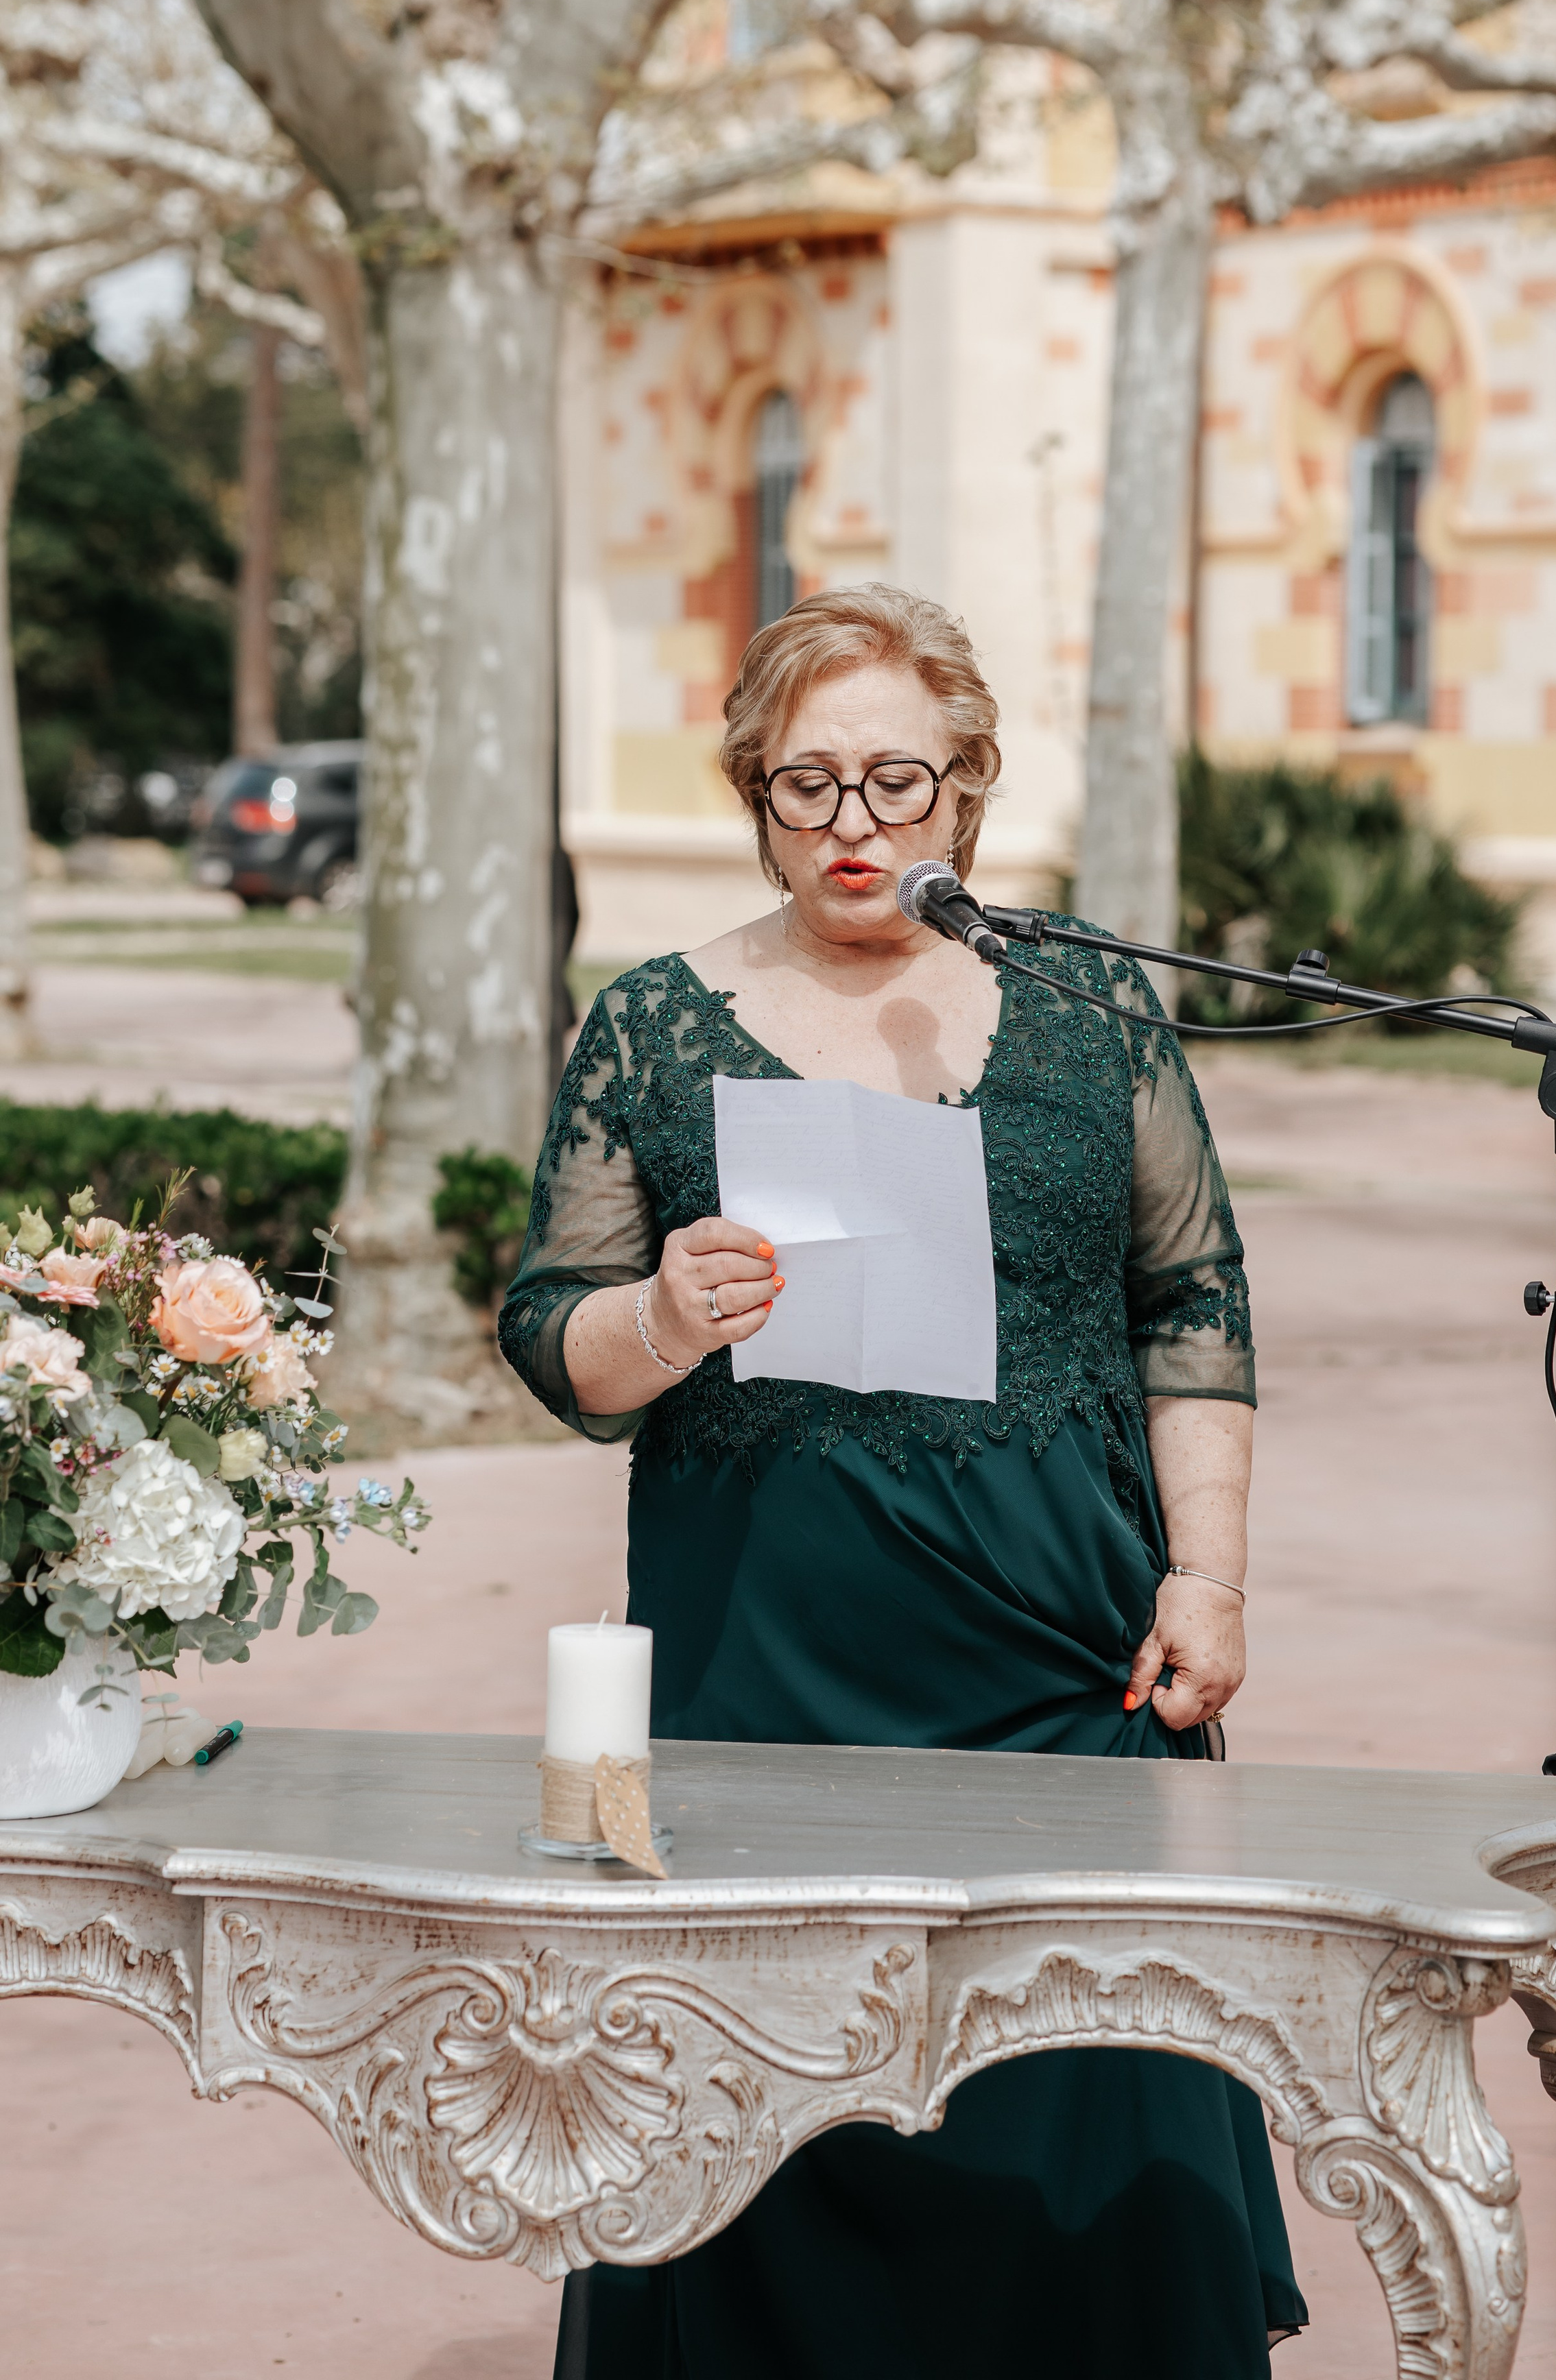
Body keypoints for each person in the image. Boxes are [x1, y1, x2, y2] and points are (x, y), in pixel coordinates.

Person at [500, 583, 1307, 2379]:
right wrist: (660, 1313)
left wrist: (1214, 1578)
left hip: (1069, 1683)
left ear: (965, 790)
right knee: (768, 2161)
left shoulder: (1091, 1004)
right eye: (808, 786)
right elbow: (553, 1337)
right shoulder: (655, 1021)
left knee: (1097, 2170)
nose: (854, 827)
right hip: (757, 1698)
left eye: (895, 782)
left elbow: (1193, 1303)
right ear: (754, 793)